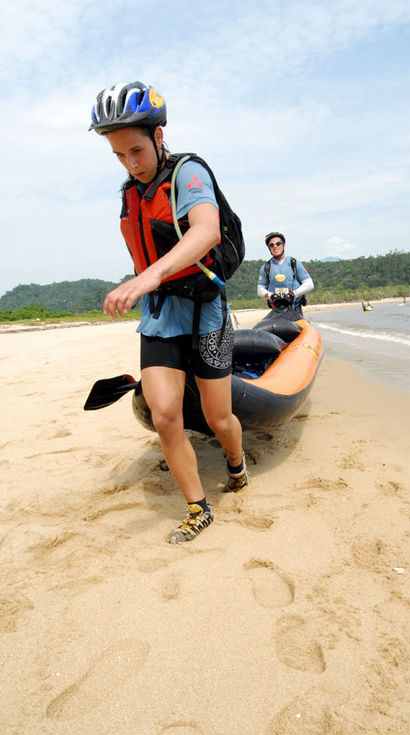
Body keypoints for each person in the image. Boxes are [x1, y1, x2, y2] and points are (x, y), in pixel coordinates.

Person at [89, 81, 248, 545]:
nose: (130, 164)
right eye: (119, 156)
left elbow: (205, 231)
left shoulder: (188, 173)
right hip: (160, 316)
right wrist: (147, 285)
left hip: (205, 313)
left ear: (159, 137)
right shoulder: (131, 190)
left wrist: (144, 279)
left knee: (220, 419)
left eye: (136, 151)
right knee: (164, 416)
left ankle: (236, 465)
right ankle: (198, 506)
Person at [257, 232, 314, 313]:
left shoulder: (294, 263)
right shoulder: (266, 267)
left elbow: (309, 284)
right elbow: (260, 290)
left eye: (278, 243)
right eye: (271, 245)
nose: (275, 246)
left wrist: (293, 294)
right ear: (269, 248)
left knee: (302, 326)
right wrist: (271, 295)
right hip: (276, 309)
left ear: (283, 245)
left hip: (295, 308)